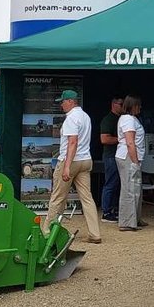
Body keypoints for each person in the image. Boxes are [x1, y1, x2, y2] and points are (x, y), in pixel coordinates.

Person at [44, 90, 101, 244]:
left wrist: (67, 166)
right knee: (87, 198)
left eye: (62, 101)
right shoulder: (85, 116)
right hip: (85, 160)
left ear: (70, 101)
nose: (61, 105)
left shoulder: (71, 118)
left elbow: (73, 142)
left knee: (57, 197)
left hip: (71, 161)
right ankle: (95, 233)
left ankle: (47, 231)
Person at [115, 95, 147, 232]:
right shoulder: (128, 119)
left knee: (135, 187)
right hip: (128, 156)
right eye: (138, 105)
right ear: (132, 106)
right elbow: (130, 142)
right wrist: (134, 161)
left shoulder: (132, 119)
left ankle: (135, 219)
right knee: (129, 189)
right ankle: (127, 222)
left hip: (132, 156)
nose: (140, 107)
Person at [99, 96, 124, 222]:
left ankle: (114, 209)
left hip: (119, 156)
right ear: (113, 104)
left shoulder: (122, 118)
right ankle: (106, 211)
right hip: (111, 156)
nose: (123, 106)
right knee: (110, 183)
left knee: (118, 184)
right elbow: (104, 139)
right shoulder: (108, 119)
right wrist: (122, 139)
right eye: (121, 104)